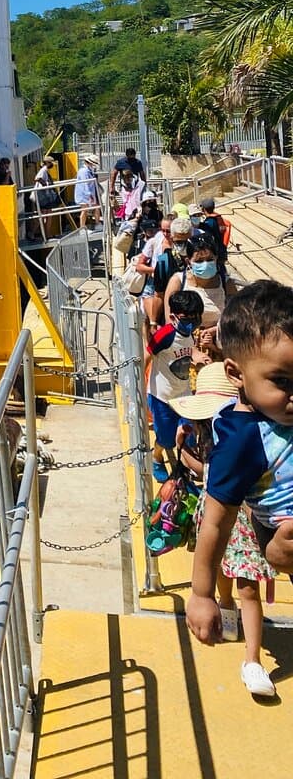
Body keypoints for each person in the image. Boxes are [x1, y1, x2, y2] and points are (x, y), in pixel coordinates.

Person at [187, 282, 293, 672]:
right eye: (282, 381)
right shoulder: (243, 439)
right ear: (236, 372)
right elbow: (216, 521)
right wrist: (201, 594)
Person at [173, 364, 276, 698]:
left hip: (246, 520)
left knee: (250, 587)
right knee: (219, 568)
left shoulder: (249, 433)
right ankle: (225, 604)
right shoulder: (213, 431)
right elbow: (209, 471)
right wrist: (185, 450)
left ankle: (252, 660)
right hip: (217, 512)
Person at [146, 288, 205, 480]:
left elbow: (189, 349)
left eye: (196, 318)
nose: (192, 323)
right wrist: (139, 385)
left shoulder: (189, 333)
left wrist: (198, 357)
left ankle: (184, 464)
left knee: (187, 431)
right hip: (162, 396)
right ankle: (156, 458)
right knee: (165, 436)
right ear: (173, 317)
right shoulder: (165, 335)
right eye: (187, 319)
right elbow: (147, 355)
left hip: (183, 393)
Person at [163, 230, 237, 329]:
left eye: (210, 259)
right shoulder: (178, 281)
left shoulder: (227, 284)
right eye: (199, 261)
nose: (205, 264)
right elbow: (170, 320)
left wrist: (213, 332)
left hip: (218, 339)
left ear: (216, 258)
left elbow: (235, 318)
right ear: (188, 262)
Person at [74, 153, 101, 229]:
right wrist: (90, 195)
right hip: (84, 194)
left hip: (87, 194)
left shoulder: (88, 171)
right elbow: (85, 183)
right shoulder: (84, 171)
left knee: (95, 207)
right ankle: (83, 227)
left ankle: (97, 224)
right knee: (84, 210)